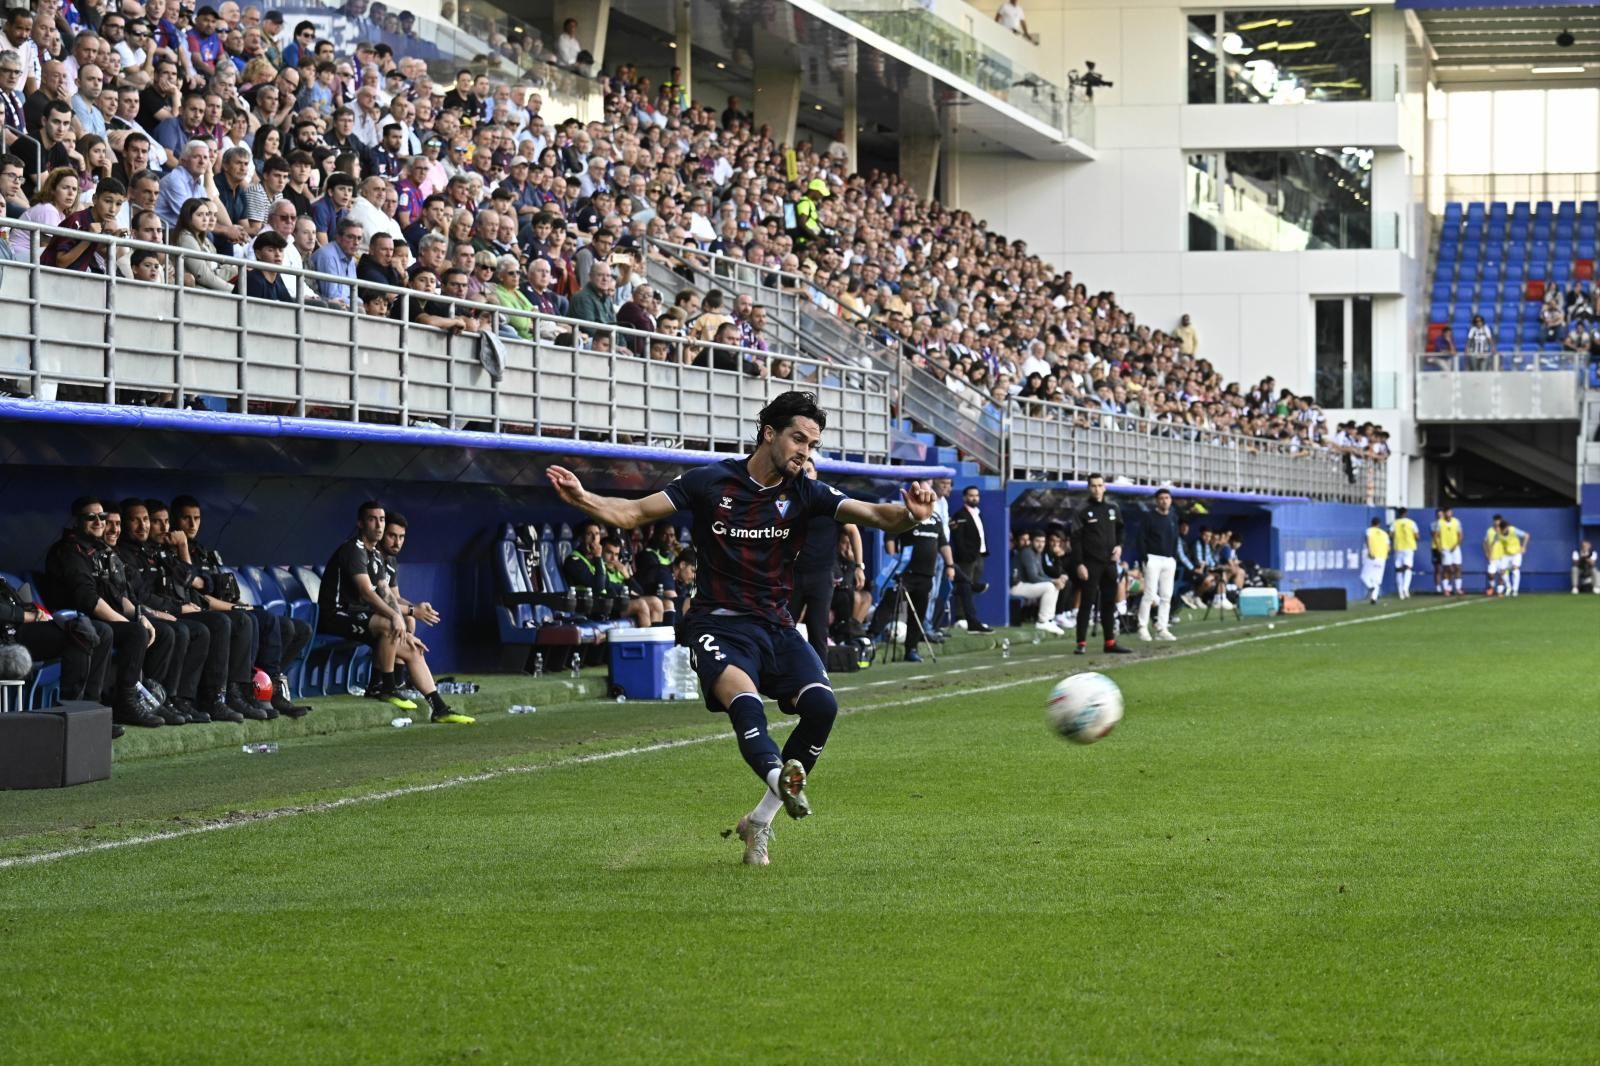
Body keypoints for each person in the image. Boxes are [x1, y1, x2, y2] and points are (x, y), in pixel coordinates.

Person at [546, 391, 937, 867]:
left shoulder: (806, 492)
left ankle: (761, 820)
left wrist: (912, 513)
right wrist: (583, 497)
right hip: (718, 624)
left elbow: (878, 516)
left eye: (812, 445)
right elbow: (631, 513)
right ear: (769, 433)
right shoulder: (710, 482)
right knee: (745, 701)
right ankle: (780, 780)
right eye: (798, 439)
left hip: (776, 625)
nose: (805, 452)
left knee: (823, 706)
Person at [171, 495, 312, 717]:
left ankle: (268, 688)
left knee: (297, 628)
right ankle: (245, 692)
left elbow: (221, 586)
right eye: (186, 519)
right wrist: (235, 608)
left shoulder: (204, 552)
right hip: (204, 612)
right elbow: (197, 593)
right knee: (252, 619)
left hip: (223, 607)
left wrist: (237, 604)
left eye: (196, 518)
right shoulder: (175, 551)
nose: (192, 524)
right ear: (174, 521)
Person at [318, 501, 458, 722]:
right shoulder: (353, 549)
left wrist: (407, 614)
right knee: (389, 624)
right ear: (361, 523)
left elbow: (386, 592)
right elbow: (365, 592)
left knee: (413, 649)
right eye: (372, 519)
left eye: (381, 519)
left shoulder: (375, 555)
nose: (378, 525)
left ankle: (439, 707)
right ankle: (386, 687)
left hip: (360, 616)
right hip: (336, 614)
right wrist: (397, 615)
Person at [43, 497, 166, 727]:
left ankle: (143, 701)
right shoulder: (69, 550)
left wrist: (140, 616)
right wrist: (129, 623)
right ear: (76, 521)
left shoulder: (97, 550)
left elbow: (116, 595)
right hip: (71, 621)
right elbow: (88, 599)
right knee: (125, 633)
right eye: (92, 517)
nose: (99, 521)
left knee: (149, 631)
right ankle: (109, 706)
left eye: (101, 516)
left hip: (93, 620)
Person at [376, 512, 472, 724]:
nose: (397, 541)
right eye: (392, 535)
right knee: (400, 623)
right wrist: (411, 611)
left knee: (408, 625)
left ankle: (407, 687)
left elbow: (396, 597)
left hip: (377, 616)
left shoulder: (389, 560)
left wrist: (415, 609)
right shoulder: (369, 556)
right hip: (357, 617)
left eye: (401, 537)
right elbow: (376, 597)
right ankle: (387, 686)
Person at [788, 455, 862, 661]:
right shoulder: (787, 500)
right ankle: (782, 675)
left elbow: (854, 531)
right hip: (791, 576)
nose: (805, 474)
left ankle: (820, 680)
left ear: (817, 473)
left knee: (818, 631)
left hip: (821, 576)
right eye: (801, 470)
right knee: (784, 629)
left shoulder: (829, 501)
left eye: (809, 470)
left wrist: (859, 566)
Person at [1069, 473, 1131, 655]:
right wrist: (1079, 564)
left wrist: (1119, 547)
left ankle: (1109, 642)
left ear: (1105, 487)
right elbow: (1076, 539)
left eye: (1100, 485)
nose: (1097, 489)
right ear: (1089, 488)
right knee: (1086, 603)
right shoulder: (1081, 510)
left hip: (1109, 563)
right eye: (1093, 486)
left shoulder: (1113, 508)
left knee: (1108, 603)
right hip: (1090, 564)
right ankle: (1081, 643)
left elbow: (1121, 530)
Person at [894, 488, 952, 664]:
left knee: (918, 613)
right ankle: (871, 638)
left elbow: (944, 543)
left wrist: (950, 564)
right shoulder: (906, 515)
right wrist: (893, 561)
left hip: (927, 574)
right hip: (905, 572)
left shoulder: (936, 519)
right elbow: (891, 537)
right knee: (889, 604)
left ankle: (911, 649)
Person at [1135, 486, 1178, 641]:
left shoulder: (1173, 517)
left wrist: (1173, 557)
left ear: (1171, 500)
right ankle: (1142, 627)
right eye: (1161, 498)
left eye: (1167, 498)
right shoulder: (1149, 517)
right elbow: (1141, 538)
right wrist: (1144, 558)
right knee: (1150, 594)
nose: (1164, 501)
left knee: (1166, 595)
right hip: (1153, 558)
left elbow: (1175, 538)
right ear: (1156, 501)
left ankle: (1162, 627)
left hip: (1168, 559)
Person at [947, 484, 991, 633]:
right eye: (971, 495)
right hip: (967, 558)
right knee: (964, 587)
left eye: (976, 495)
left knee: (971, 587)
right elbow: (958, 539)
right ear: (965, 497)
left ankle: (970, 618)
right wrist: (966, 555)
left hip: (979, 555)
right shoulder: (960, 515)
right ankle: (960, 618)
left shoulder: (978, 513)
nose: (974, 498)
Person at [1010, 527, 1065, 636]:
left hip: (1025, 585)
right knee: (1050, 586)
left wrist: (1055, 581)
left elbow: (1041, 574)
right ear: (1031, 541)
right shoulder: (1027, 552)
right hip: (1015, 587)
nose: (1041, 544)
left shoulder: (1037, 553)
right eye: (1037, 541)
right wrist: (1053, 580)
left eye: (1043, 542)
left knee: (1054, 586)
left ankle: (1049, 620)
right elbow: (1033, 577)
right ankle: (1042, 621)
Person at [1389, 506, 1419, 600]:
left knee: (1398, 569)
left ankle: (1400, 591)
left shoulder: (1394, 523)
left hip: (1398, 547)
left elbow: (1390, 535)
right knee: (1408, 568)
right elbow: (1417, 536)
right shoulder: (1411, 523)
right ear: (1406, 513)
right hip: (1409, 547)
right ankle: (1405, 588)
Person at [1495, 516, 1528, 598]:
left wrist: (1523, 547)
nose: (1507, 529)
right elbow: (1495, 543)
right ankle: (1508, 587)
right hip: (1506, 554)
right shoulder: (1498, 534)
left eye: (1507, 527)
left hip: (1516, 553)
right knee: (1502, 571)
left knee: (1515, 569)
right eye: (1505, 528)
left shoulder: (1513, 530)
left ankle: (1515, 590)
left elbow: (1526, 535)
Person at [1436, 506, 1464, 596]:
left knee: (1458, 568)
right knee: (1447, 569)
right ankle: (1446, 589)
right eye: (1447, 512)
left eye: (1450, 512)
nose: (1449, 514)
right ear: (1444, 513)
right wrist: (1439, 547)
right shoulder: (1439, 523)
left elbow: (1460, 535)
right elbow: (1436, 536)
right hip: (1445, 549)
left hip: (1455, 548)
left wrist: (1456, 545)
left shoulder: (1456, 521)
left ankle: (1458, 588)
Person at [1361, 516, 1390, 604]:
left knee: (1364, 576)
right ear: (1379, 524)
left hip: (1372, 556)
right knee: (1376, 580)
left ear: (1371, 523)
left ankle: (1370, 587)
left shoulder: (1369, 530)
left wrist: (1370, 551)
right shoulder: (1384, 534)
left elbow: (1367, 540)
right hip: (1382, 557)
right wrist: (1386, 554)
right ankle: (1374, 598)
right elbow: (1388, 547)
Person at [1482, 513, 1506, 597]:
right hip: (1492, 556)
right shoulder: (1489, 531)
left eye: (1498, 521)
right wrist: (1486, 553)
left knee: (1502, 574)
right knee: (1491, 574)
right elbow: (1485, 542)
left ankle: (1499, 591)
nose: (1497, 523)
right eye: (1495, 521)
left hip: (1503, 556)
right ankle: (1492, 588)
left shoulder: (1504, 531)